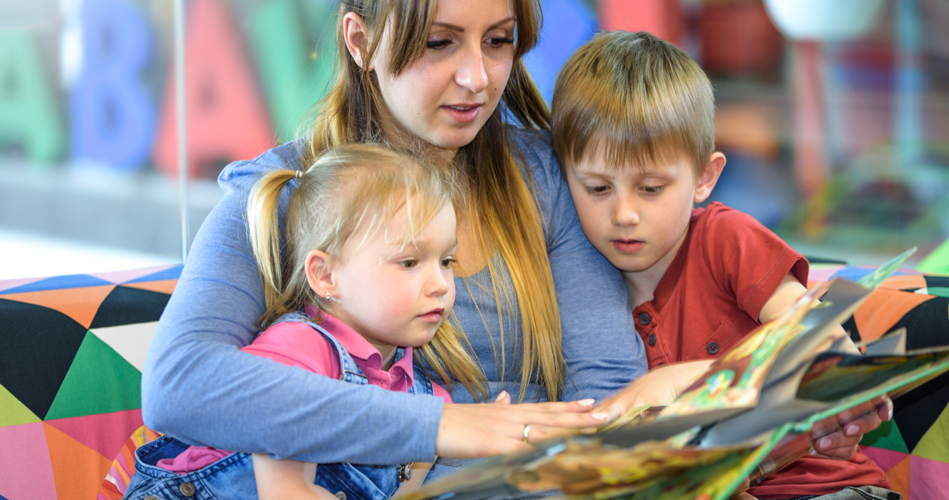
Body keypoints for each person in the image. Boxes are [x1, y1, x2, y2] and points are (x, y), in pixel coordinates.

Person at [141, 0, 644, 481]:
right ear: (360, 41)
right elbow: (178, 384)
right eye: (438, 43)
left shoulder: (545, 178)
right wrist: (440, 427)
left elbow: (607, 394)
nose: (478, 78)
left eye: (498, 41)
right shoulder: (283, 194)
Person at [550, 31, 897, 500]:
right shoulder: (579, 285)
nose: (624, 214)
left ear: (704, 178)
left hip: (832, 490)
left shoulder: (723, 238)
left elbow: (823, 344)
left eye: (651, 188)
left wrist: (678, 379)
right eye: (596, 188)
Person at [126, 145, 477, 500]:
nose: (440, 285)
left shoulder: (430, 399)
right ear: (325, 275)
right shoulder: (300, 349)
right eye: (409, 263)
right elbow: (285, 493)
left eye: (447, 261)